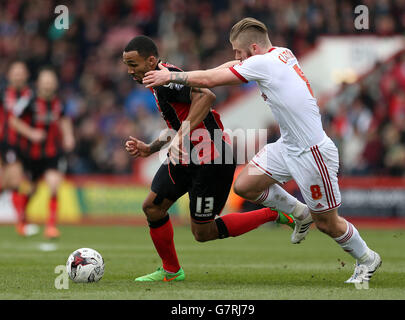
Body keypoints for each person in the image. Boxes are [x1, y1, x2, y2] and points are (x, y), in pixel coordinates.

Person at [142, 18, 382, 284]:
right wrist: (187, 74)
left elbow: (211, 79)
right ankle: (299, 213)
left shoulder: (263, 63)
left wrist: (171, 76)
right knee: (245, 185)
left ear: (254, 48)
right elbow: (226, 68)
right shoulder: (281, 53)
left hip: (312, 152)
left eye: (238, 51)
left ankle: (367, 259)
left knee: (327, 223)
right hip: (287, 146)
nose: (236, 56)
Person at [122, 35, 301, 282]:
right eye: (127, 65)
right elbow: (178, 123)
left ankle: (274, 214)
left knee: (203, 232)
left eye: (134, 64)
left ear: (151, 60)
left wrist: (181, 136)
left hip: (212, 159)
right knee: (152, 207)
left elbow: (206, 95)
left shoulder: (168, 79)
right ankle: (172, 271)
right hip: (187, 156)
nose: (130, 71)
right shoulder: (158, 82)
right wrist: (151, 148)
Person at [10, 67, 75, 239]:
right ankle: (22, 220)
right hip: (32, 154)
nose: (48, 85)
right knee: (31, 190)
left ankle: (51, 227)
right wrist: (31, 133)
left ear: (54, 84)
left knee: (54, 185)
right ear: (39, 83)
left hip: (53, 152)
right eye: (45, 81)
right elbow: (13, 121)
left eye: (51, 81)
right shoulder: (29, 100)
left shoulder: (58, 102)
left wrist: (68, 136)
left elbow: (64, 119)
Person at [0, 61, 38, 236]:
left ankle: (22, 220)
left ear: (26, 75)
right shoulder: (2, 92)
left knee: (29, 186)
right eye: (15, 72)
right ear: (9, 75)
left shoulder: (32, 95)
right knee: (14, 182)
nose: (18, 75)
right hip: (7, 143)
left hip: (29, 147)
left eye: (21, 72)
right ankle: (22, 223)